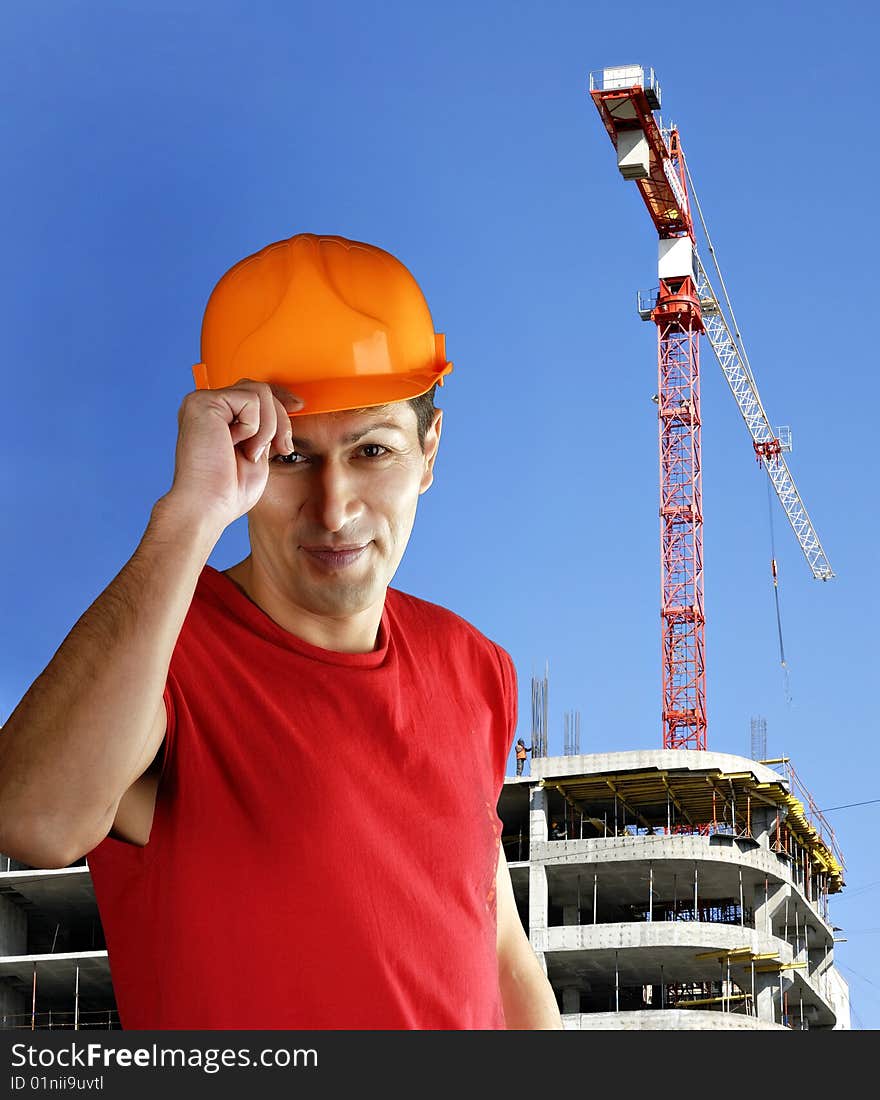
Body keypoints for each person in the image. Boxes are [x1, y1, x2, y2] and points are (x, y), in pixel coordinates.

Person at [0, 232, 562, 1031]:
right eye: (292, 458)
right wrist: (188, 514)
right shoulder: (163, 652)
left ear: (429, 453)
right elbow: (34, 818)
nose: (334, 509)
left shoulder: (474, 668)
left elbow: (501, 949)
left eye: (372, 450)